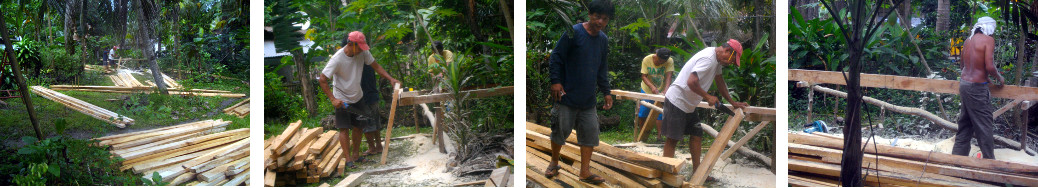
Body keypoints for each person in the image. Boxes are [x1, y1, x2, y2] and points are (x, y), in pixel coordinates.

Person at [543, 0, 614, 184]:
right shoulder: (573, 32)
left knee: (590, 135)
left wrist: (606, 91)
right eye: (597, 17)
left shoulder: (603, 40)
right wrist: (556, 81)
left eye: (605, 19)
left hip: (588, 100)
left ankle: (584, 172)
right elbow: (556, 57)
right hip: (566, 96)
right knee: (560, 131)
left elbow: (602, 67)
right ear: (589, 13)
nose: (600, 22)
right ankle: (554, 162)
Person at [660, 39, 748, 172]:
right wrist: (707, 97)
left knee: (696, 134)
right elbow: (691, 82)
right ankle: (666, 173)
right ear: (727, 51)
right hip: (677, 101)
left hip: (689, 105)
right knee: (672, 139)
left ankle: (697, 172)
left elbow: (720, 81)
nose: (730, 63)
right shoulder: (708, 59)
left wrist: (732, 102)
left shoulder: (716, 60)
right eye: (732, 60)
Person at [319, 31, 400, 168]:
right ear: (350, 44)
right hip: (341, 99)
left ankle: (356, 156)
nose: (362, 50)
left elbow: (377, 67)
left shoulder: (363, 53)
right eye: (360, 47)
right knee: (344, 129)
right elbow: (322, 79)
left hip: (358, 96)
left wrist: (391, 79)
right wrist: (333, 99)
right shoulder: (337, 59)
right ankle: (348, 159)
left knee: (359, 127)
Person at [954, 17, 1003, 159]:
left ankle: (957, 159)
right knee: (984, 125)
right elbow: (989, 66)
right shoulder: (988, 40)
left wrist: (985, 77)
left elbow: (964, 66)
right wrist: (999, 78)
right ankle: (989, 162)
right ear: (990, 28)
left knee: (965, 123)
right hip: (977, 88)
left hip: (964, 85)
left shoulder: (968, 41)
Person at [636, 48, 674, 141]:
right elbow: (643, 76)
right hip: (646, 89)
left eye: (663, 61)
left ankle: (659, 137)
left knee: (660, 113)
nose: (661, 63)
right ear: (656, 55)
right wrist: (652, 87)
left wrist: (666, 91)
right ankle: (642, 135)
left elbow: (669, 76)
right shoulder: (647, 59)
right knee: (643, 113)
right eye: (660, 60)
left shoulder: (669, 61)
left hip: (661, 91)